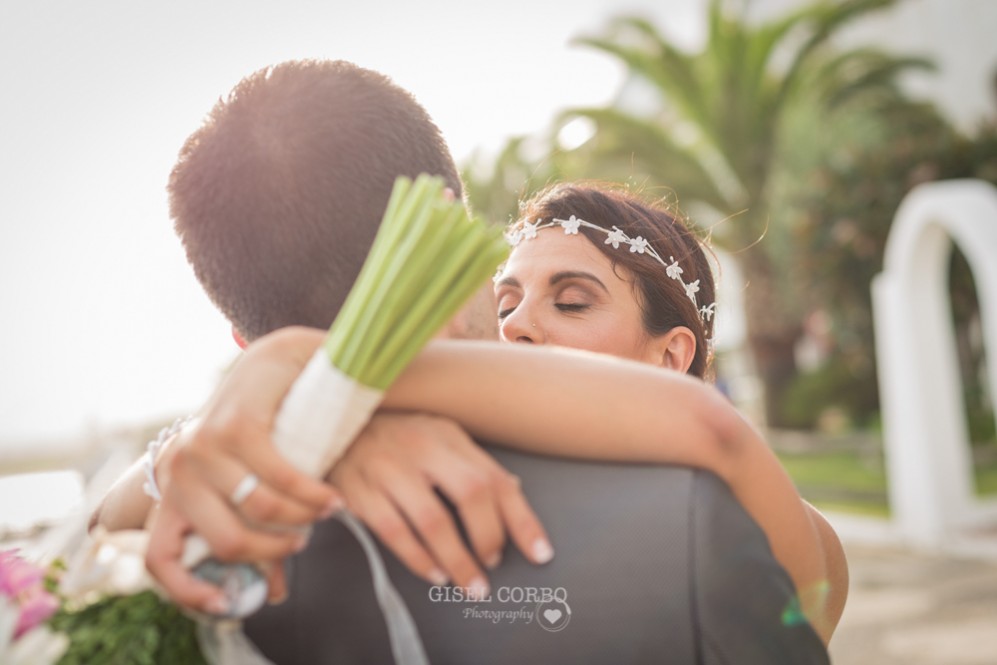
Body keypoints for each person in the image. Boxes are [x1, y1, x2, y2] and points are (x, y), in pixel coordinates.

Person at [92, 59, 839, 661]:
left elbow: (91, 533)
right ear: (443, 226)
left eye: (571, 301)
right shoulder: (693, 525)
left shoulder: (176, 551)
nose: (519, 326)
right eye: (507, 294)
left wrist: (310, 376)